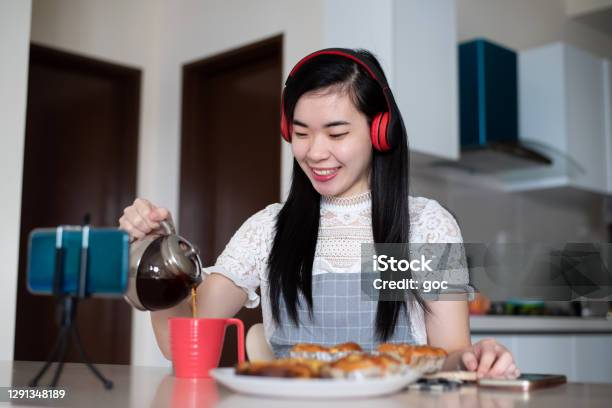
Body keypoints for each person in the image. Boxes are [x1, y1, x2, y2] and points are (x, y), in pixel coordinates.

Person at [119, 48, 520, 379]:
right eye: (301, 132)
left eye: (337, 133)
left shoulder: (422, 227)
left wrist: (474, 358)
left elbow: (449, 356)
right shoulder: (269, 230)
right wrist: (152, 253)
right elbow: (179, 342)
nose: (314, 152)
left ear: (379, 131)